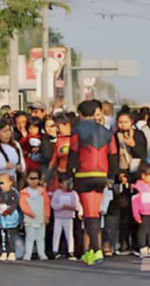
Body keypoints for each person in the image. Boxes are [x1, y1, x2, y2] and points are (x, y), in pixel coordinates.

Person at [68, 100, 118, 265]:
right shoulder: (107, 132)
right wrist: (111, 176)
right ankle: (91, 250)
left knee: (89, 214)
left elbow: (73, 153)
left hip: (84, 174)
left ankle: (96, 250)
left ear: (80, 114)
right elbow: (113, 154)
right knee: (94, 212)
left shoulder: (77, 130)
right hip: (101, 174)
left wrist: (68, 175)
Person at [132, 165, 150, 258]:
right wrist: (136, 215)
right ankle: (142, 247)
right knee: (143, 231)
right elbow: (134, 202)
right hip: (143, 214)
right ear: (143, 176)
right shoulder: (138, 187)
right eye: (149, 176)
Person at [20, 171, 49, 261]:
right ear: (27, 179)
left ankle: (42, 253)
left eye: (35, 178)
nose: (33, 181)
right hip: (29, 219)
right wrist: (30, 213)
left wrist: (47, 215)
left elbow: (46, 204)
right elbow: (23, 204)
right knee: (30, 237)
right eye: (31, 178)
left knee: (40, 237)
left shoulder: (42, 192)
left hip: (40, 217)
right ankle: (28, 254)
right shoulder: (24, 192)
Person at [51, 176, 80, 260]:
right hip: (59, 217)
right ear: (60, 184)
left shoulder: (73, 193)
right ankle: (55, 251)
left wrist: (70, 206)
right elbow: (53, 205)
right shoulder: (57, 193)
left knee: (69, 235)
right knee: (56, 234)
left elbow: (77, 205)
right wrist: (61, 206)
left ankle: (71, 251)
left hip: (68, 217)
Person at [0, 172, 21, 261]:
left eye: (3, 183)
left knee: (11, 235)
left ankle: (12, 252)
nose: (1, 185)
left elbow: (15, 204)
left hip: (11, 217)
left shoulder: (14, 192)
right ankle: (3, 252)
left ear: (10, 182)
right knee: (3, 235)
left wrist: (9, 210)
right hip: (1, 217)